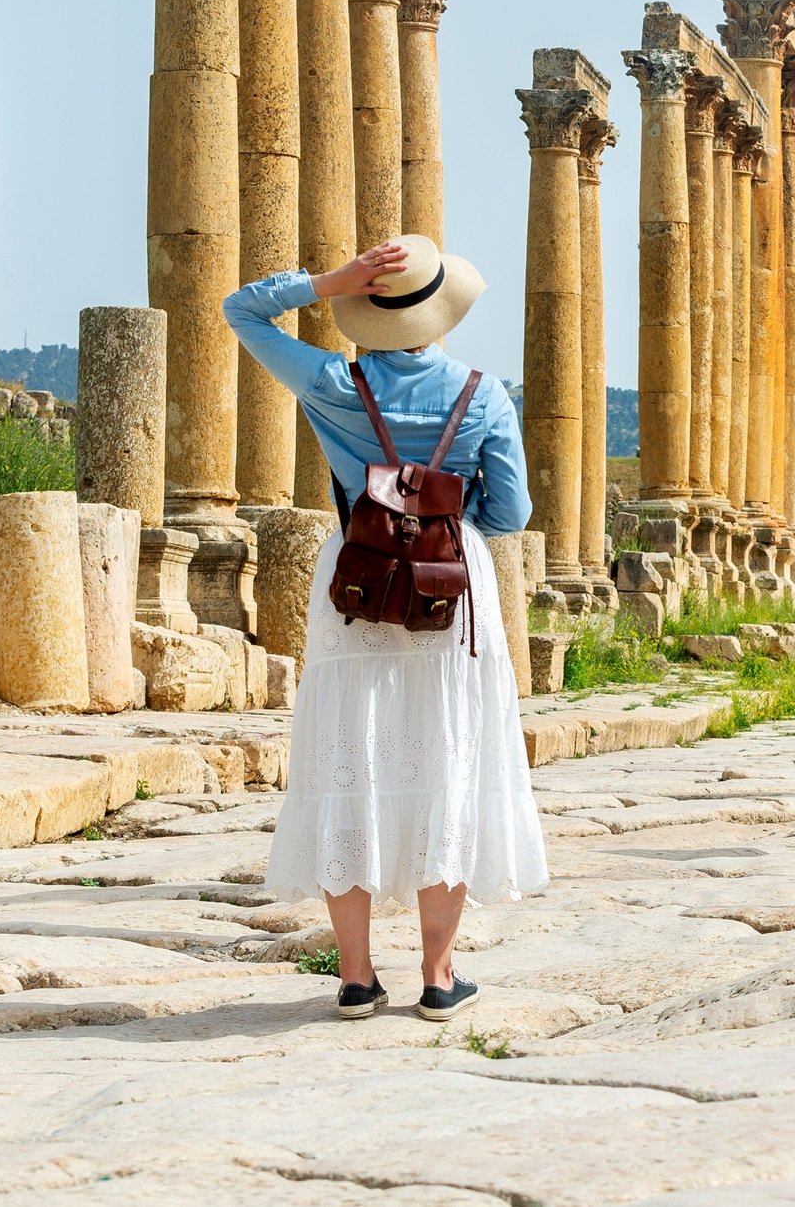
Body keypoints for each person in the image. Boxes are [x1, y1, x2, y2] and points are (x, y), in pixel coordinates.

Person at [224, 236, 546, 1023]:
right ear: (441, 311)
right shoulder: (483, 393)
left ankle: (358, 976)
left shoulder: (335, 382)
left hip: (356, 580)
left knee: (350, 759)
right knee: (450, 761)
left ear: (368, 311)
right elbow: (511, 513)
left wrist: (328, 280)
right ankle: (439, 975)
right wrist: (450, 511)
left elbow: (242, 309)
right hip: (451, 585)